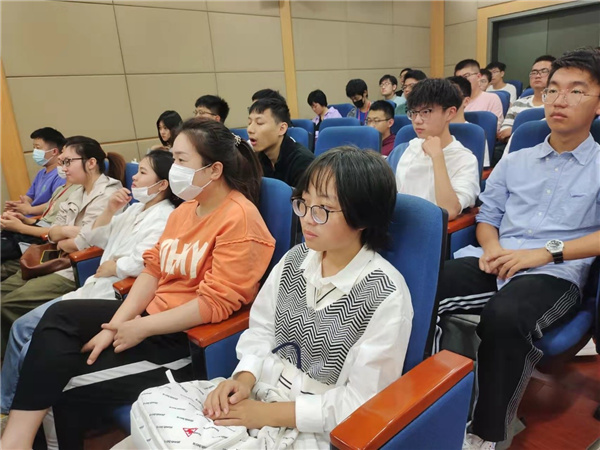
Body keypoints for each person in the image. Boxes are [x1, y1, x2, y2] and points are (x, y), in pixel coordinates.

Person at [0, 118, 276, 449]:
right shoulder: (185, 210)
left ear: (214, 170)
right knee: (59, 316)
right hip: (148, 317)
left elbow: (214, 303)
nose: (174, 168)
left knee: (60, 381)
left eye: (181, 160)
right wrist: (115, 326)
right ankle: (15, 441)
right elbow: (152, 271)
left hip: (182, 340)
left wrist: (140, 328)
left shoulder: (240, 220)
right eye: (173, 158)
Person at [124, 147, 413, 449]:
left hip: (316, 425)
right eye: (303, 203)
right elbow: (261, 329)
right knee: (149, 417)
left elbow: (362, 400)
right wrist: (242, 379)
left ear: (364, 216)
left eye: (323, 209)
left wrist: (267, 414)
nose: (307, 219)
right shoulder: (295, 260)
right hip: (258, 395)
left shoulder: (385, 293)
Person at [435, 48, 600, 450]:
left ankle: (486, 434)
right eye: (554, 90)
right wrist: (491, 248)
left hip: (555, 272)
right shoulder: (517, 160)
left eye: (576, 91)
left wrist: (544, 253)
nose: (559, 100)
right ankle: (428, 404)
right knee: (421, 288)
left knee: (505, 317)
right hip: (496, 259)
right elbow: (487, 216)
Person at [0, 150, 178, 428]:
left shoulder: (166, 216)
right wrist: (110, 210)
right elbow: (93, 237)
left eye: (143, 173)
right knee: (21, 326)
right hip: (94, 285)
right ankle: (7, 406)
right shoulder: (135, 208)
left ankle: (11, 412)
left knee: (30, 345)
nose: (134, 178)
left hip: (114, 292)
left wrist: (116, 266)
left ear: (162, 184)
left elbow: (147, 262)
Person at [1, 136, 126, 355]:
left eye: (68, 161)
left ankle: (15, 357)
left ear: (91, 163)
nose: (64, 168)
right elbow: (54, 231)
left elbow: (81, 243)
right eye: (62, 162)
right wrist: (65, 233)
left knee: (7, 304)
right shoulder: (77, 191)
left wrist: (64, 236)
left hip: (76, 268)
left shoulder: (109, 194)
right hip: (55, 257)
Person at [387, 78, 480, 220]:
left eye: (426, 112)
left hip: (429, 229)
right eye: (413, 112)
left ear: (450, 113)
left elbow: (449, 211)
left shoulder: (465, 160)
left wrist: (437, 157)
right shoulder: (403, 150)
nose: (417, 120)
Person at [1, 151, 78, 279]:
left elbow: (57, 232)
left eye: (66, 161)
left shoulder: (79, 193)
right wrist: (24, 220)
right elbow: (48, 220)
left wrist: (21, 227)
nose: (60, 163)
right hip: (38, 231)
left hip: (44, 243)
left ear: (90, 163)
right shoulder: (61, 188)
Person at [248, 98, 315, 187]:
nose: (250, 129)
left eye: (259, 123)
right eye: (249, 123)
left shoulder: (303, 163)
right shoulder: (257, 159)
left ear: (281, 129)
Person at [4, 128, 66, 217]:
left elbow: (56, 203)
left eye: (38, 148)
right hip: (30, 216)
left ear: (54, 151)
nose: (35, 152)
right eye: (34, 148)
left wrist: (30, 210)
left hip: (43, 219)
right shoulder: (41, 173)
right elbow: (30, 197)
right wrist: (17, 205)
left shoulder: (61, 174)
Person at [499, 55, 556, 146]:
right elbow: (503, 132)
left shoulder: (557, 104)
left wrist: (515, 131)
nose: (537, 76)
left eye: (544, 71)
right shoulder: (519, 103)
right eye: (534, 72)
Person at [448, 75, 491, 167]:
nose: (444, 101)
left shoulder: (475, 134)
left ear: (466, 101)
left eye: (451, 96)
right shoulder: (432, 129)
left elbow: (482, 170)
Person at [455, 59, 504, 129]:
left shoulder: (492, 99)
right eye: (459, 78)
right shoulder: (454, 100)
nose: (462, 81)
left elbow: (493, 129)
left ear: (478, 76)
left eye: (466, 76)